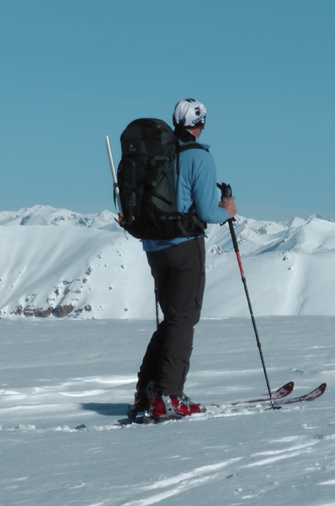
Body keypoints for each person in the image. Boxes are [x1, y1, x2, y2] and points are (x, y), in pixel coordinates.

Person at [128, 98, 237, 420]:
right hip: (184, 245)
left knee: (172, 319)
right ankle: (169, 396)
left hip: (154, 245)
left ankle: (146, 393)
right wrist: (227, 209)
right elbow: (205, 211)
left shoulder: (154, 156)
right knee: (183, 319)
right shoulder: (198, 158)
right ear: (200, 124)